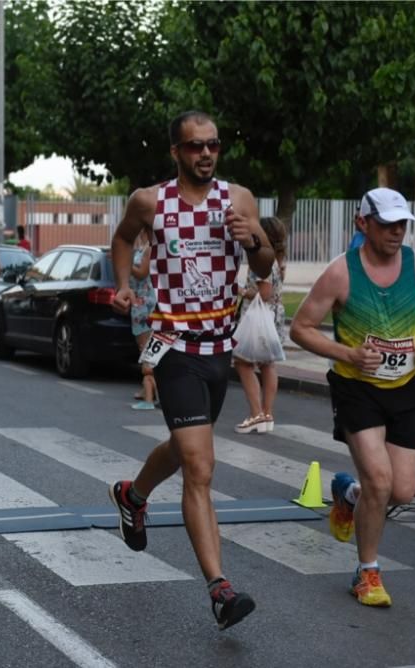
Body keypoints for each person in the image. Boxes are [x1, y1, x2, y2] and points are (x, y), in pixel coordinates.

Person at [109, 110, 273, 630]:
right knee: (200, 466)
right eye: (195, 146)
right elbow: (122, 240)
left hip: (219, 347)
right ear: (176, 153)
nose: (205, 154)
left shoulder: (240, 199)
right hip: (172, 344)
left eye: (213, 145)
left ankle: (132, 495)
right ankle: (220, 588)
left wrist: (255, 242)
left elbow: (266, 266)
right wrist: (123, 284)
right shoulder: (150, 201)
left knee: (185, 451)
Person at [290, 187, 415, 609]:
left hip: (404, 386)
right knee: (380, 479)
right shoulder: (341, 273)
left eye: (402, 224)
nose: (396, 232)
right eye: (387, 223)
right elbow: (301, 327)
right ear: (363, 223)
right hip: (357, 388)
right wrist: (347, 354)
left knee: (403, 491)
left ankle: (348, 495)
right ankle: (366, 571)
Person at [233, 216, 288, 433]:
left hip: (259, 316)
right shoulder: (278, 259)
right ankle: (266, 414)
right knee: (267, 364)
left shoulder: (262, 261)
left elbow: (264, 294)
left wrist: (241, 290)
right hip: (272, 316)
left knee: (243, 362)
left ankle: (256, 413)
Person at [130, 228, 158, 410]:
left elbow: (142, 272)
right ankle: (146, 390)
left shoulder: (149, 248)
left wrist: (125, 265)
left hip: (145, 303)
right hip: (139, 301)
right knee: (145, 349)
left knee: (146, 350)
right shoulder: (141, 247)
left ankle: (148, 397)